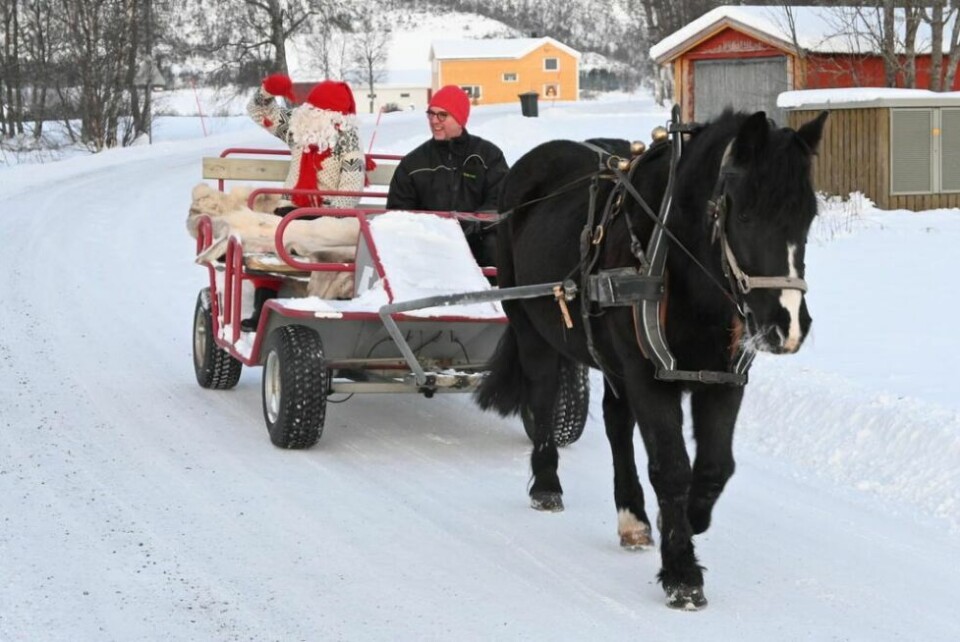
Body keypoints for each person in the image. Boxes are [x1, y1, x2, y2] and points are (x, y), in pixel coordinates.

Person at [242, 74, 365, 329]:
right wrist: (267, 90)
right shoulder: (299, 131)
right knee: (265, 238)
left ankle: (324, 311)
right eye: (309, 107)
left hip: (327, 215)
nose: (308, 111)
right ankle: (262, 304)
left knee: (317, 242)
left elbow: (351, 188)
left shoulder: (347, 141)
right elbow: (258, 110)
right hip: (290, 211)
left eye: (316, 109)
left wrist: (333, 218)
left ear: (333, 116)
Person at [386, 85, 509, 267]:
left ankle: (494, 293)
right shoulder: (413, 164)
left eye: (442, 115)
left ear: (460, 119)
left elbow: (500, 200)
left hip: (477, 242)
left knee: (496, 247)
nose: (434, 121)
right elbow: (399, 212)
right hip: (428, 246)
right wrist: (430, 232)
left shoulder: (488, 156)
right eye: (431, 114)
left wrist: (471, 226)